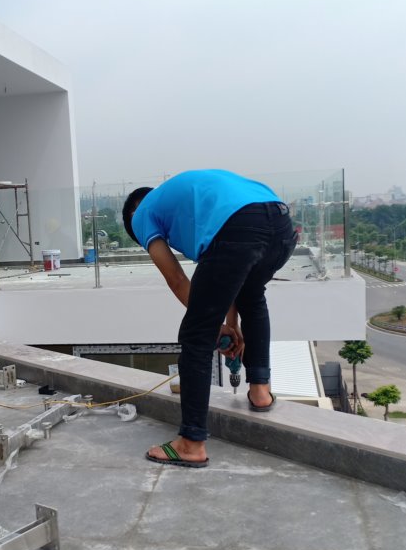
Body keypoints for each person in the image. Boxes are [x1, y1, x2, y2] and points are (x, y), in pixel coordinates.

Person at [122, 169, 297, 468]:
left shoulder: (142, 213)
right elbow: (230, 280)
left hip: (238, 226)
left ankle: (191, 444)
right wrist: (231, 324)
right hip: (279, 223)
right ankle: (260, 392)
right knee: (252, 296)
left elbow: (177, 278)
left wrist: (212, 325)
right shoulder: (191, 199)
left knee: (196, 335)